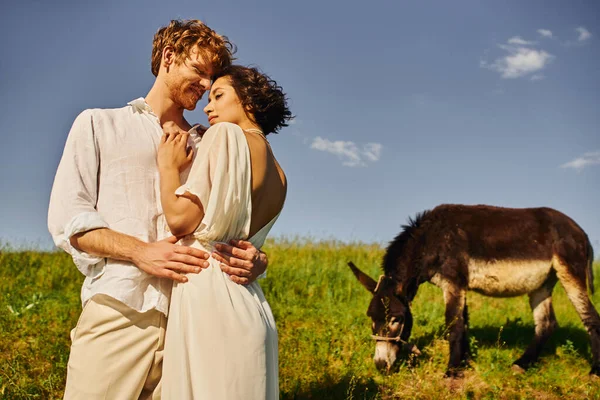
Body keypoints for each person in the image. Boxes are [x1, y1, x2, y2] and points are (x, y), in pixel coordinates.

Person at [48, 20, 269, 399]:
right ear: (169, 57)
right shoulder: (100, 124)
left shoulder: (211, 142)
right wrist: (141, 252)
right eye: (199, 71)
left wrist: (258, 259)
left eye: (212, 78)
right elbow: (70, 221)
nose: (205, 86)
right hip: (122, 310)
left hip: (197, 320)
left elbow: (234, 221)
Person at [157, 65, 292, 399]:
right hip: (251, 302)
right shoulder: (280, 172)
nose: (207, 106)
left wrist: (168, 167)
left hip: (210, 294)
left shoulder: (225, 136)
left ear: (247, 99)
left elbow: (180, 219)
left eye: (218, 95)